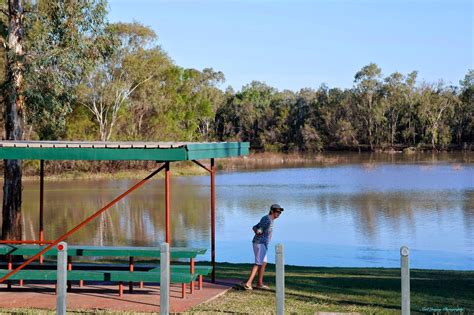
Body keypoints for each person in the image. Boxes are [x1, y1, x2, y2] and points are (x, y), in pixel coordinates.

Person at [243, 203, 284, 290]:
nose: (279, 213)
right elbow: (259, 230)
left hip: (263, 244)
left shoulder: (268, 219)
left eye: (280, 212)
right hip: (259, 243)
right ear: (272, 211)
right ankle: (248, 283)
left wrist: (257, 230)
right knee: (258, 263)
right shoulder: (267, 220)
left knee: (264, 262)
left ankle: (259, 283)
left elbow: (254, 227)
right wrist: (258, 232)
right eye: (277, 211)